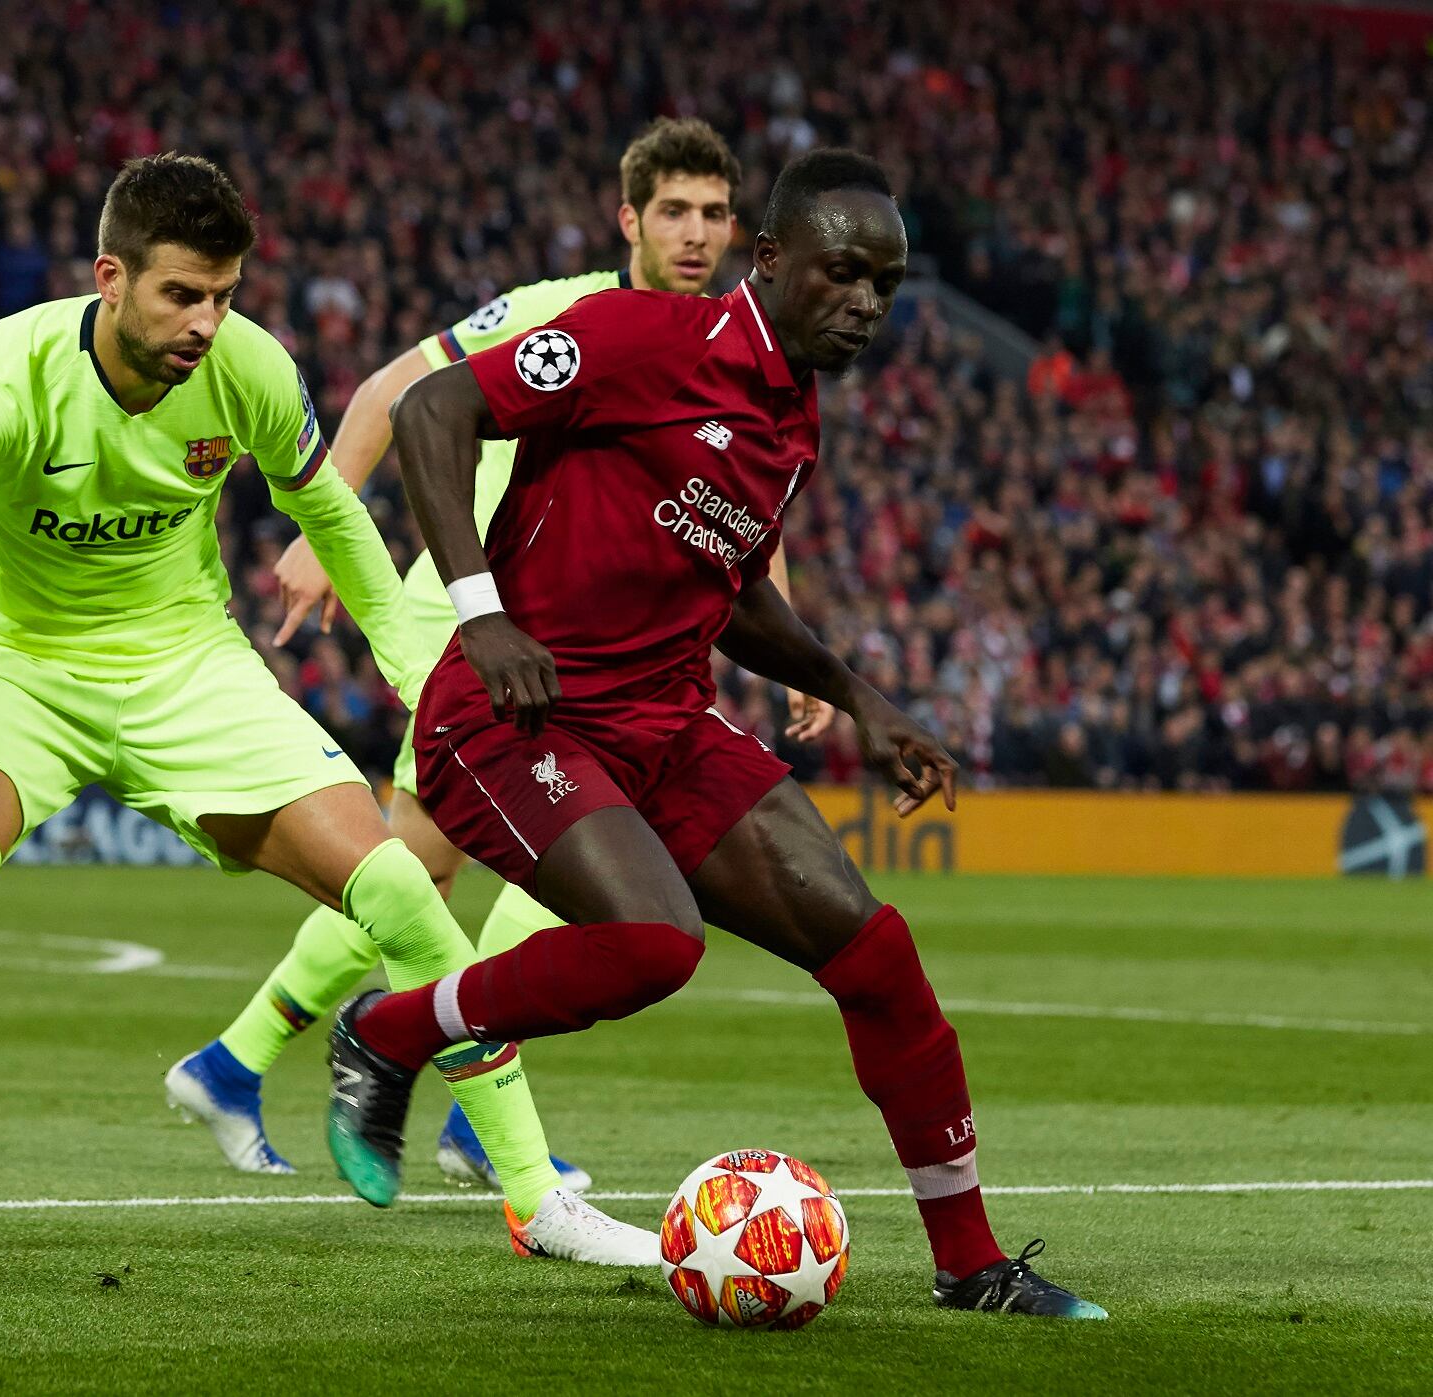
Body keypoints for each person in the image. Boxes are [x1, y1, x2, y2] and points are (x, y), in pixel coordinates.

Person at [0, 153, 652, 1268]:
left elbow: (330, 513)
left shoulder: (247, 368)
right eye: (181, 293)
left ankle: (536, 1199)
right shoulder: (8, 368)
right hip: (17, 666)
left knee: (394, 882)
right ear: (111, 276)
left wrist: (408, 665)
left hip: (186, 665)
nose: (206, 321)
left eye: (224, 295)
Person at [327, 148, 1107, 1319]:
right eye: (843, 273)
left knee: (875, 954)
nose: (865, 303)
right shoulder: (637, 336)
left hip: (661, 722)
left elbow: (731, 587)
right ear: (772, 258)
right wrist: (479, 613)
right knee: (653, 942)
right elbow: (431, 407)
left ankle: (969, 1263)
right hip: (510, 713)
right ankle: (385, 1029)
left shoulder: (789, 416)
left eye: (885, 285)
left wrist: (859, 695)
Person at [165, 119, 837, 1230]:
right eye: (672, 210)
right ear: (627, 219)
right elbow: (392, 388)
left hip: (594, 656)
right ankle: (434, 1109)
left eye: (714, 213)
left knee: (431, 868)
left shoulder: (734, 346)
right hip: (484, 628)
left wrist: (797, 640)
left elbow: (738, 508)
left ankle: (244, 1064)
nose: (695, 233)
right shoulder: (559, 307)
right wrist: (319, 524)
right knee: (462, 862)